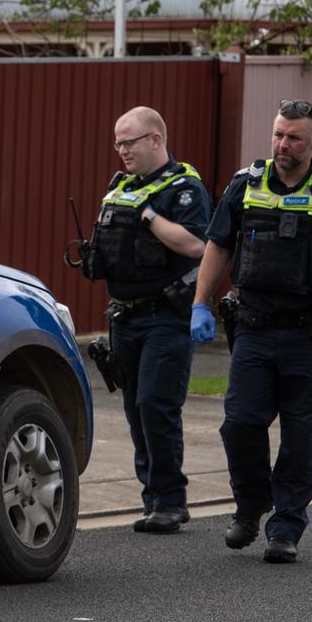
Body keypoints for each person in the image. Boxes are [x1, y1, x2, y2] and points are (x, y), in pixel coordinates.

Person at [190, 99, 312, 563]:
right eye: (278, 134)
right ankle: (251, 505)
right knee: (240, 424)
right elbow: (218, 246)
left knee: (301, 436)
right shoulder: (245, 185)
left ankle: (286, 526)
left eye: (294, 137)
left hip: (311, 336)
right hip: (254, 331)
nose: (283, 145)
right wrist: (199, 303)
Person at [82, 106, 210, 534]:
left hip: (165, 318)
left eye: (129, 142)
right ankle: (152, 497)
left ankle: (171, 501)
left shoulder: (184, 188)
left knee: (156, 406)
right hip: (125, 318)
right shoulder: (121, 187)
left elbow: (196, 245)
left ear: (155, 140)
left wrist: (150, 216)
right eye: (117, 143)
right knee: (136, 410)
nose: (121, 151)